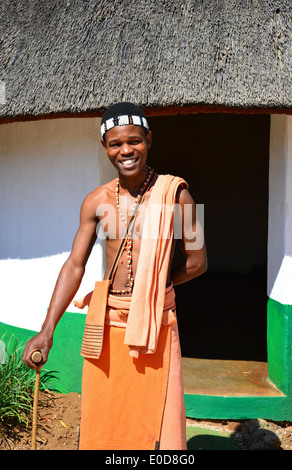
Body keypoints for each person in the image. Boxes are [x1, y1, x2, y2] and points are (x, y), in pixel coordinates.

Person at [22, 102, 207, 450]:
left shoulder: (179, 195)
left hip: (157, 322)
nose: (126, 150)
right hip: (107, 324)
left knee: (161, 419)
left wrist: (155, 290)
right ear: (105, 147)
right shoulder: (96, 201)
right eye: (115, 143)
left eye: (134, 141)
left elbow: (199, 262)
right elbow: (75, 265)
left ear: (149, 140)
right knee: (107, 419)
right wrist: (47, 331)